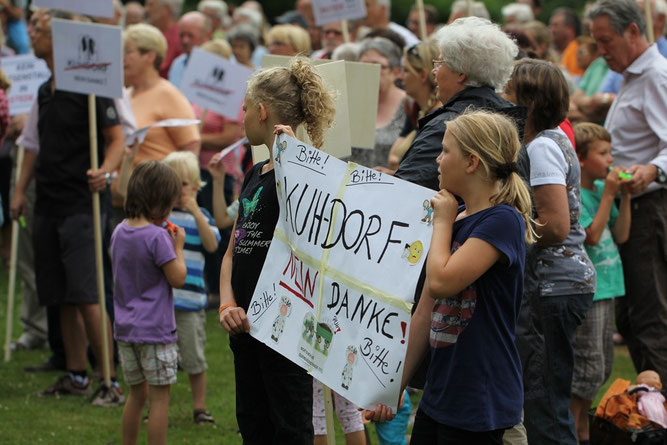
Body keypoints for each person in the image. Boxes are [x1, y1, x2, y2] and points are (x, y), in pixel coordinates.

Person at [367, 110, 536, 445]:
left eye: (445, 151)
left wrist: (442, 222)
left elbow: (443, 281)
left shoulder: (502, 221)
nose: (438, 160)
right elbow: (425, 311)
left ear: (472, 162)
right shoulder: (458, 217)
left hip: (481, 402)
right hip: (441, 394)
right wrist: (394, 387)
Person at [10, 8, 125, 406]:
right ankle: (76, 374)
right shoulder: (45, 90)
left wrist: (106, 173)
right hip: (49, 202)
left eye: (38, 29)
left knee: (87, 293)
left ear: (58, 38)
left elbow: (117, 140)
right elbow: (33, 146)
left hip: (83, 202)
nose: (31, 34)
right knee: (59, 294)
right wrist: (20, 189)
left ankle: (108, 379)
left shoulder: (91, 87)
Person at [218, 57, 335, 444]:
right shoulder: (254, 173)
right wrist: (226, 304)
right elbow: (233, 252)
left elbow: (310, 234)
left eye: (246, 109)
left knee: (290, 428)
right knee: (254, 425)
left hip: (283, 329)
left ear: (262, 111)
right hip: (244, 325)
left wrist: (295, 158)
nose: (243, 117)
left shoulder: (306, 172)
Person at [503, 59, 596, 445]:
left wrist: (506, 232)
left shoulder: (541, 147)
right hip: (558, 286)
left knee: (544, 404)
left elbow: (555, 226)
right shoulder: (552, 139)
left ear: (528, 101)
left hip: (552, 288)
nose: (502, 99)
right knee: (545, 398)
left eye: (508, 93)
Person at [589, 0, 667, 383]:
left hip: (649, 209)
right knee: (634, 314)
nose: (601, 52)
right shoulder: (634, 76)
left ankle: (656, 412)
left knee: (648, 314)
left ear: (633, 32)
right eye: (597, 43)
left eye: (606, 41)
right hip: (633, 207)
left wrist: (654, 169)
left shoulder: (655, 76)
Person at [111, 161, 186, 445]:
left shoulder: (120, 231)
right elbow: (177, 278)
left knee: (136, 394)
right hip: (155, 332)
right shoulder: (157, 237)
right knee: (159, 399)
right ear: (158, 203)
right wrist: (177, 247)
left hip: (126, 330)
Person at [570, 122, 632, 444]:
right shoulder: (579, 194)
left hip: (609, 286)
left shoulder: (600, 191)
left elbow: (621, 234)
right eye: (603, 153)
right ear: (581, 159)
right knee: (588, 367)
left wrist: (626, 197)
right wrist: (609, 193)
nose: (611, 159)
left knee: (603, 365)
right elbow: (591, 236)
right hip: (590, 290)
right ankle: (573, 425)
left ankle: (580, 426)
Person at [161, 152, 220, 425]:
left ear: (196, 187)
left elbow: (212, 245)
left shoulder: (202, 217)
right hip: (162, 303)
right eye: (170, 183)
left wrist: (196, 210)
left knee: (194, 357)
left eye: (182, 184)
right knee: (162, 360)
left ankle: (199, 407)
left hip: (191, 301)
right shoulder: (161, 218)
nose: (176, 191)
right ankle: (159, 405)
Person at [121, 23, 200, 167]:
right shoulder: (125, 95)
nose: (122, 58)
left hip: (156, 186)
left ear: (150, 56)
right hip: (124, 187)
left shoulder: (168, 95)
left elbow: (191, 148)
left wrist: (172, 185)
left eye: (127, 51)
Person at [383, 39, 441, 173]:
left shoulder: (438, 116)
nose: (400, 77)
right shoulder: (416, 109)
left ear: (422, 75)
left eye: (406, 70)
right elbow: (393, 159)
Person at [349, 37, 406, 169]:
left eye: (377, 66)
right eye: (364, 65)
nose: (369, 72)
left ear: (396, 72)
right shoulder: (347, 101)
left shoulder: (409, 106)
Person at [168, 11, 212, 88]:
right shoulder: (178, 64)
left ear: (207, 35)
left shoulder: (224, 62)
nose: (185, 41)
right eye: (181, 35)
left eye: (190, 35)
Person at [144, 0, 184, 78]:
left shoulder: (179, 39)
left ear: (166, 9)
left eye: (150, 5)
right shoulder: (156, 35)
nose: (145, 9)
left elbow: (160, 71)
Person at [549, 7, 584, 77]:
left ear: (570, 29)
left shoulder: (578, 51)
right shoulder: (553, 51)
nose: (550, 29)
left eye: (555, 25)